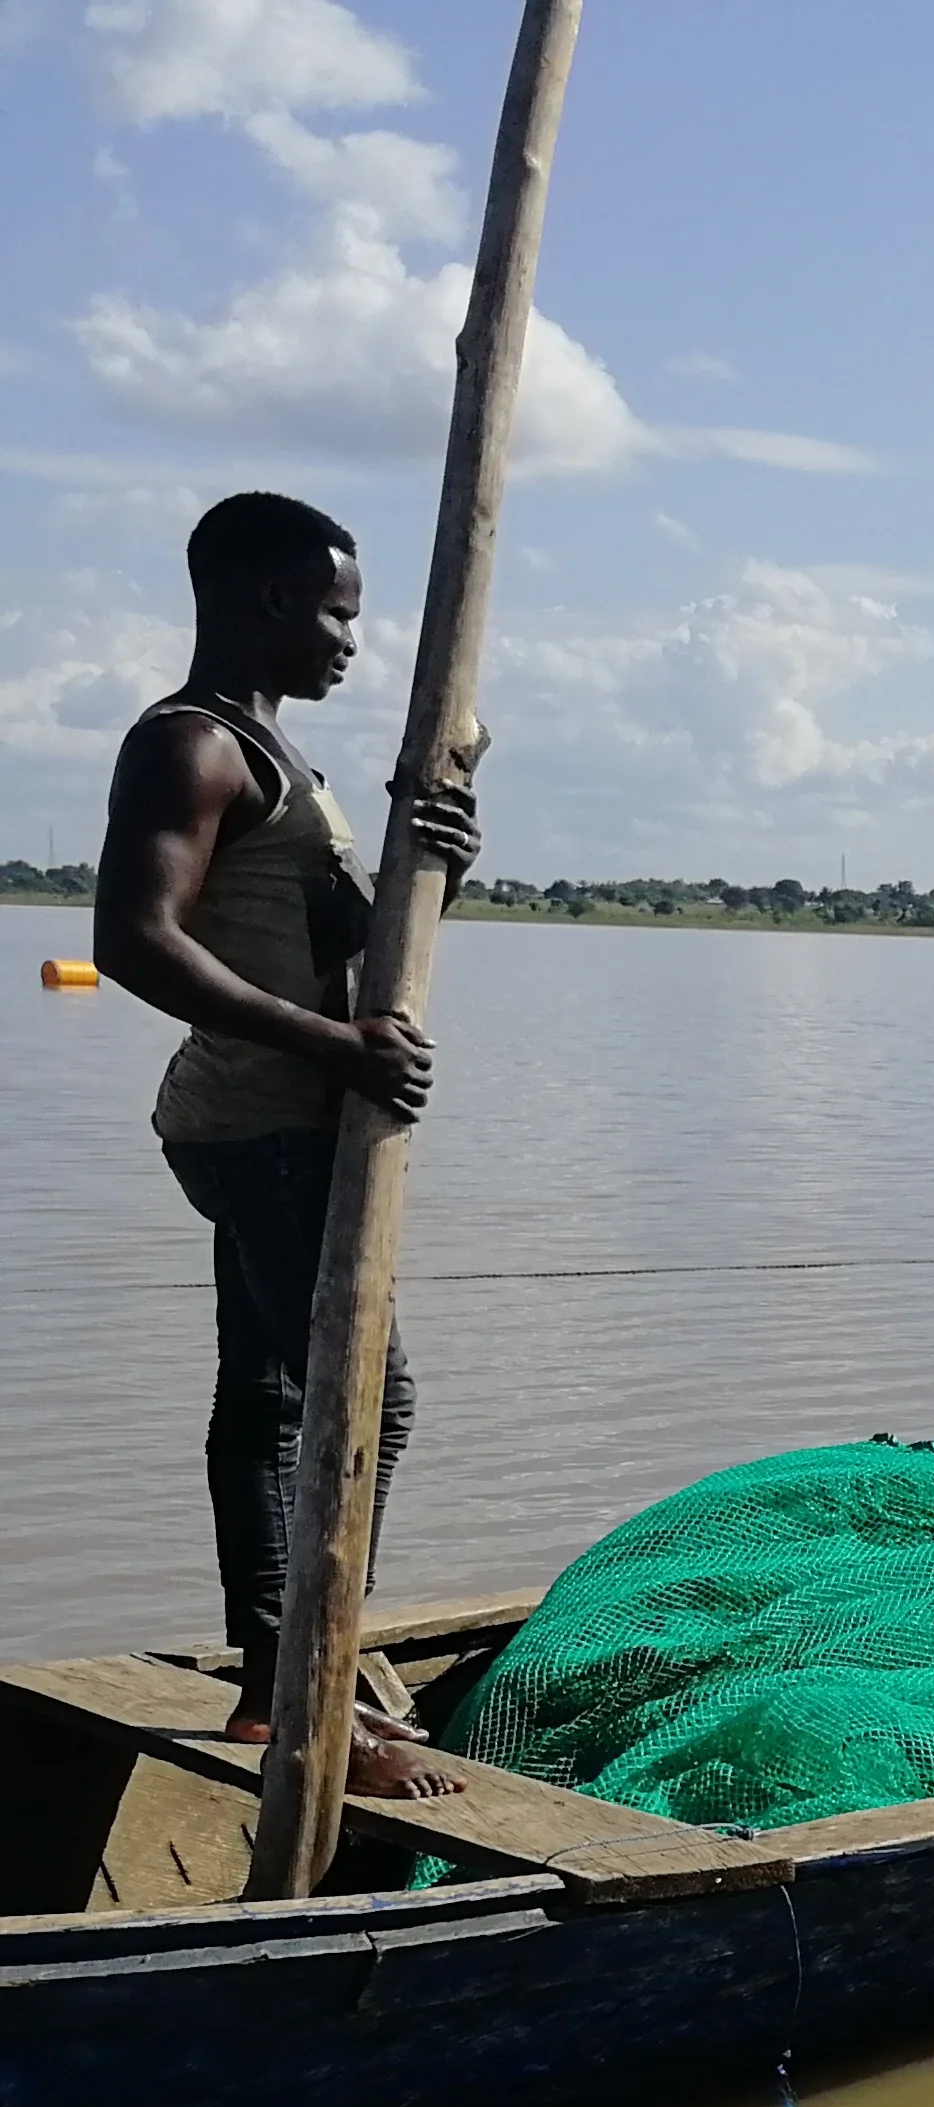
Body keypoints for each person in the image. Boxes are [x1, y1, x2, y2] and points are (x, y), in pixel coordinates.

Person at [93, 491, 480, 1802]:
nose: (350, 642)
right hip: (261, 1125)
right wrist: (332, 1053)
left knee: (267, 1401)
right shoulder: (192, 749)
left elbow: (338, 947)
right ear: (263, 600)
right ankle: (311, 1696)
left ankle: (276, 1689)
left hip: (266, 1120)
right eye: (334, 612)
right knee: (365, 1403)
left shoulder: (277, 762)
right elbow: (135, 941)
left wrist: (437, 871)